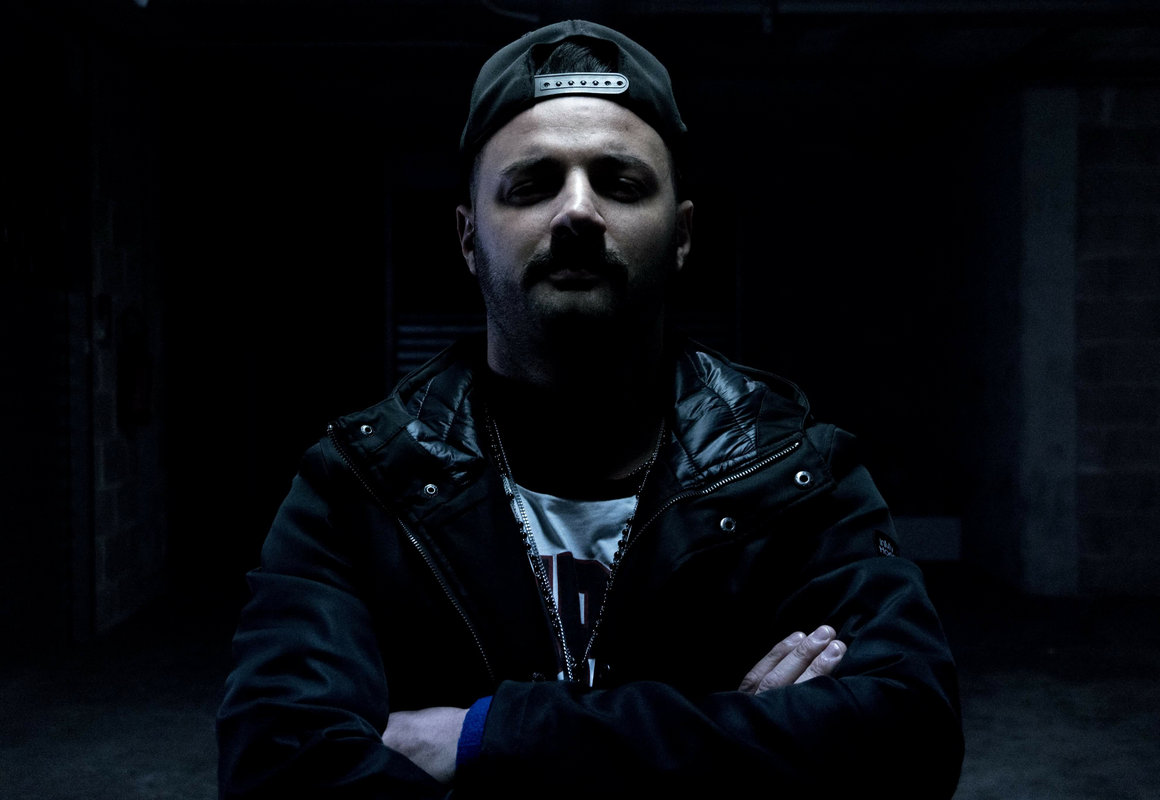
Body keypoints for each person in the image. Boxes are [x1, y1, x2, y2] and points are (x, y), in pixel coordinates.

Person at [216, 19, 964, 798]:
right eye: (532, 185)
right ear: (468, 239)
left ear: (682, 235)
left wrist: (486, 738)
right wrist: (736, 741)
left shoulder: (796, 477)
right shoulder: (360, 486)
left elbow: (908, 740)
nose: (578, 212)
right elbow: (279, 766)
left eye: (621, 184)